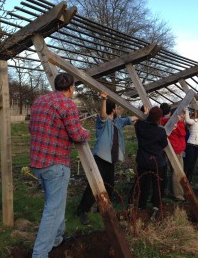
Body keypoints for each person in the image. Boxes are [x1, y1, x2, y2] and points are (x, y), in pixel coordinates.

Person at [29, 73, 90, 258]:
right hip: (55, 163)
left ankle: (57, 238)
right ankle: (39, 254)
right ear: (71, 87)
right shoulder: (67, 104)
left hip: (37, 162)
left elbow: (31, 127)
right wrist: (86, 132)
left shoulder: (40, 101)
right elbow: (77, 135)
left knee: (54, 204)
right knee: (53, 209)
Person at [77, 91, 137, 225]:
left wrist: (142, 113)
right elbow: (103, 115)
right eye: (117, 108)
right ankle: (81, 210)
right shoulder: (102, 122)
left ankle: (101, 210)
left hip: (111, 160)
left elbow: (131, 118)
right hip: (101, 158)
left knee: (109, 185)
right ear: (114, 109)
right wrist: (103, 100)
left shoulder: (118, 122)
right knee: (94, 186)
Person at [131, 106, 168, 213]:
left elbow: (138, 123)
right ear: (159, 118)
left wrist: (145, 114)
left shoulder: (140, 126)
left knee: (142, 183)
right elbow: (164, 145)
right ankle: (156, 206)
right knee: (157, 185)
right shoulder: (161, 131)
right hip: (156, 162)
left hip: (143, 161)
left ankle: (140, 205)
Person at [160, 103, 186, 201]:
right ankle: (178, 195)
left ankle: (166, 191)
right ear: (170, 112)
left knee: (167, 171)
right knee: (177, 172)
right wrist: (181, 121)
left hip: (167, 148)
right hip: (176, 148)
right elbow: (182, 132)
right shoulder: (174, 121)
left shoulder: (160, 121)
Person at [183, 107, 198, 183]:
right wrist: (186, 111)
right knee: (188, 163)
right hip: (191, 145)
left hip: (197, 145)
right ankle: (183, 178)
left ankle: (189, 180)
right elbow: (187, 120)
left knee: (193, 164)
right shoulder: (194, 121)